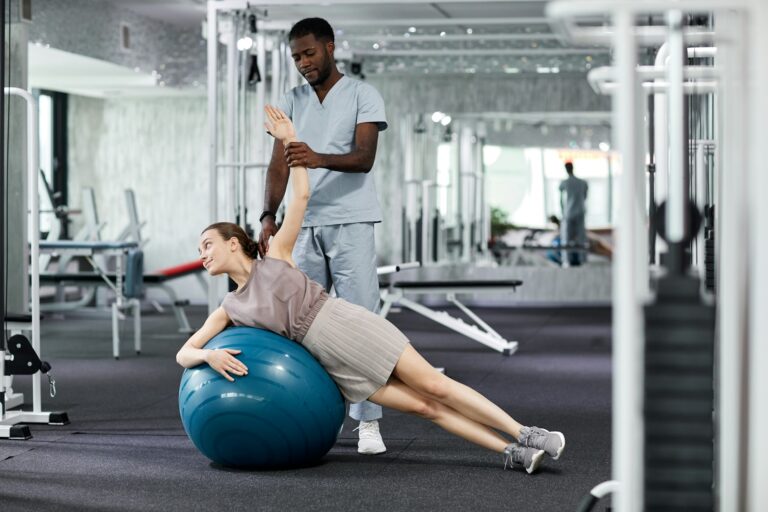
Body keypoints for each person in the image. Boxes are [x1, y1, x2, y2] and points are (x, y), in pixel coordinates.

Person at [177, 106, 566, 474]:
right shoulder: (230, 306)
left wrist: (289, 140)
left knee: (434, 385)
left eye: (207, 244)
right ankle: (512, 454)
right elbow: (184, 353)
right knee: (424, 408)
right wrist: (209, 357)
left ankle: (525, 432)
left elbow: (301, 197)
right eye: (199, 252)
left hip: (343, 324)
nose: (203, 255)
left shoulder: (276, 254)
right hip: (330, 363)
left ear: (232, 242)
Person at [257, 17, 389, 455]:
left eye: (309, 53)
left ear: (330, 48)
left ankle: (368, 423)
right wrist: (267, 215)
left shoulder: (362, 94)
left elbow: (364, 158)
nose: (303, 63)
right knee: (302, 324)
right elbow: (280, 164)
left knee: (360, 320)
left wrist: (314, 158)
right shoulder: (291, 101)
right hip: (301, 223)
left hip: (351, 220)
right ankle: (305, 412)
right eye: (296, 57)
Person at [558, 162, 589, 266]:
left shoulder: (565, 183)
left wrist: (563, 211)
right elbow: (585, 196)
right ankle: (582, 259)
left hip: (569, 213)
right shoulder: (582, 182)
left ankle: (566, 260)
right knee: (581, 238)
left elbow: (561, 199)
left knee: (566, 238)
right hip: (579, 212)